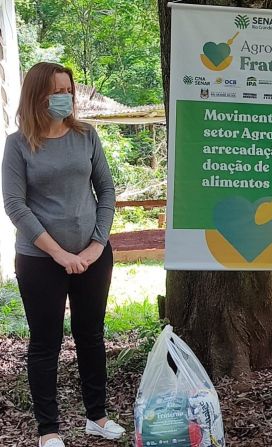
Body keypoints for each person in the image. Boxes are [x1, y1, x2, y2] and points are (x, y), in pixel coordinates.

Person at [2, 62, 123, 447]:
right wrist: (59, 254)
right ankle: (48, 430)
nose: (65, 97)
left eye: (68, 90)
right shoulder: (18, 144)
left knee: (91, 336)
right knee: (45, 342)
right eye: (57, 90)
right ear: (38, 94)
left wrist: (94, 245)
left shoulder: (87, 135)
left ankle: (97, 417)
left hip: (93, 256)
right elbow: (15, 206)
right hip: (40, 261)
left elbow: (106, 191)